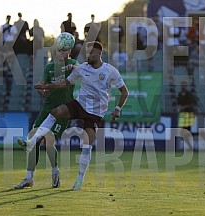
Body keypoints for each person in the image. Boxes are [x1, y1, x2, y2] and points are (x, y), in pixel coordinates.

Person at [19, 41, 129, 190]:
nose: (88, 55)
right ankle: (33, 140)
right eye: (87, 53)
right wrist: (47, 86)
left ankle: (79, 179)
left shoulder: (110, 71)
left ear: (98, 54)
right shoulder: (82, 68)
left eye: (91, 53)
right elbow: (65, 83)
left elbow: (125, 92)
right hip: (80, 105)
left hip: (95, 113)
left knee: (86, 146)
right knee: (55, 112)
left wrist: (117, 108)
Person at [15, 40, 79, 189]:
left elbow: (80, 69)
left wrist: (74, 67)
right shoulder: (50, 67)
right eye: (59, 50)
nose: (61, 53)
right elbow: (42, 83)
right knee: (33, 138)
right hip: (48, 108)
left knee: (48, 140)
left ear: (68, 51)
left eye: (64, 50)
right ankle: (28, 177)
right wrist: (42, 90)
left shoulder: (72, 63)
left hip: (64, 110)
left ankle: (55, 171)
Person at [177, 81, 197, 150]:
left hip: (189, 113)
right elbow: (178, 103)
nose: (183, 87)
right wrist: (179, 107)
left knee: (186, 131)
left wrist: (184, 107)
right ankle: (190, 146)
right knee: (183, 132)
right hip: (183, 114)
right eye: (182, 85)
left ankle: (196, 136)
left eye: (184, 85)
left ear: (186, 86)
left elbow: (192, 104)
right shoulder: (179, 94)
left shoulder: (189, 94)